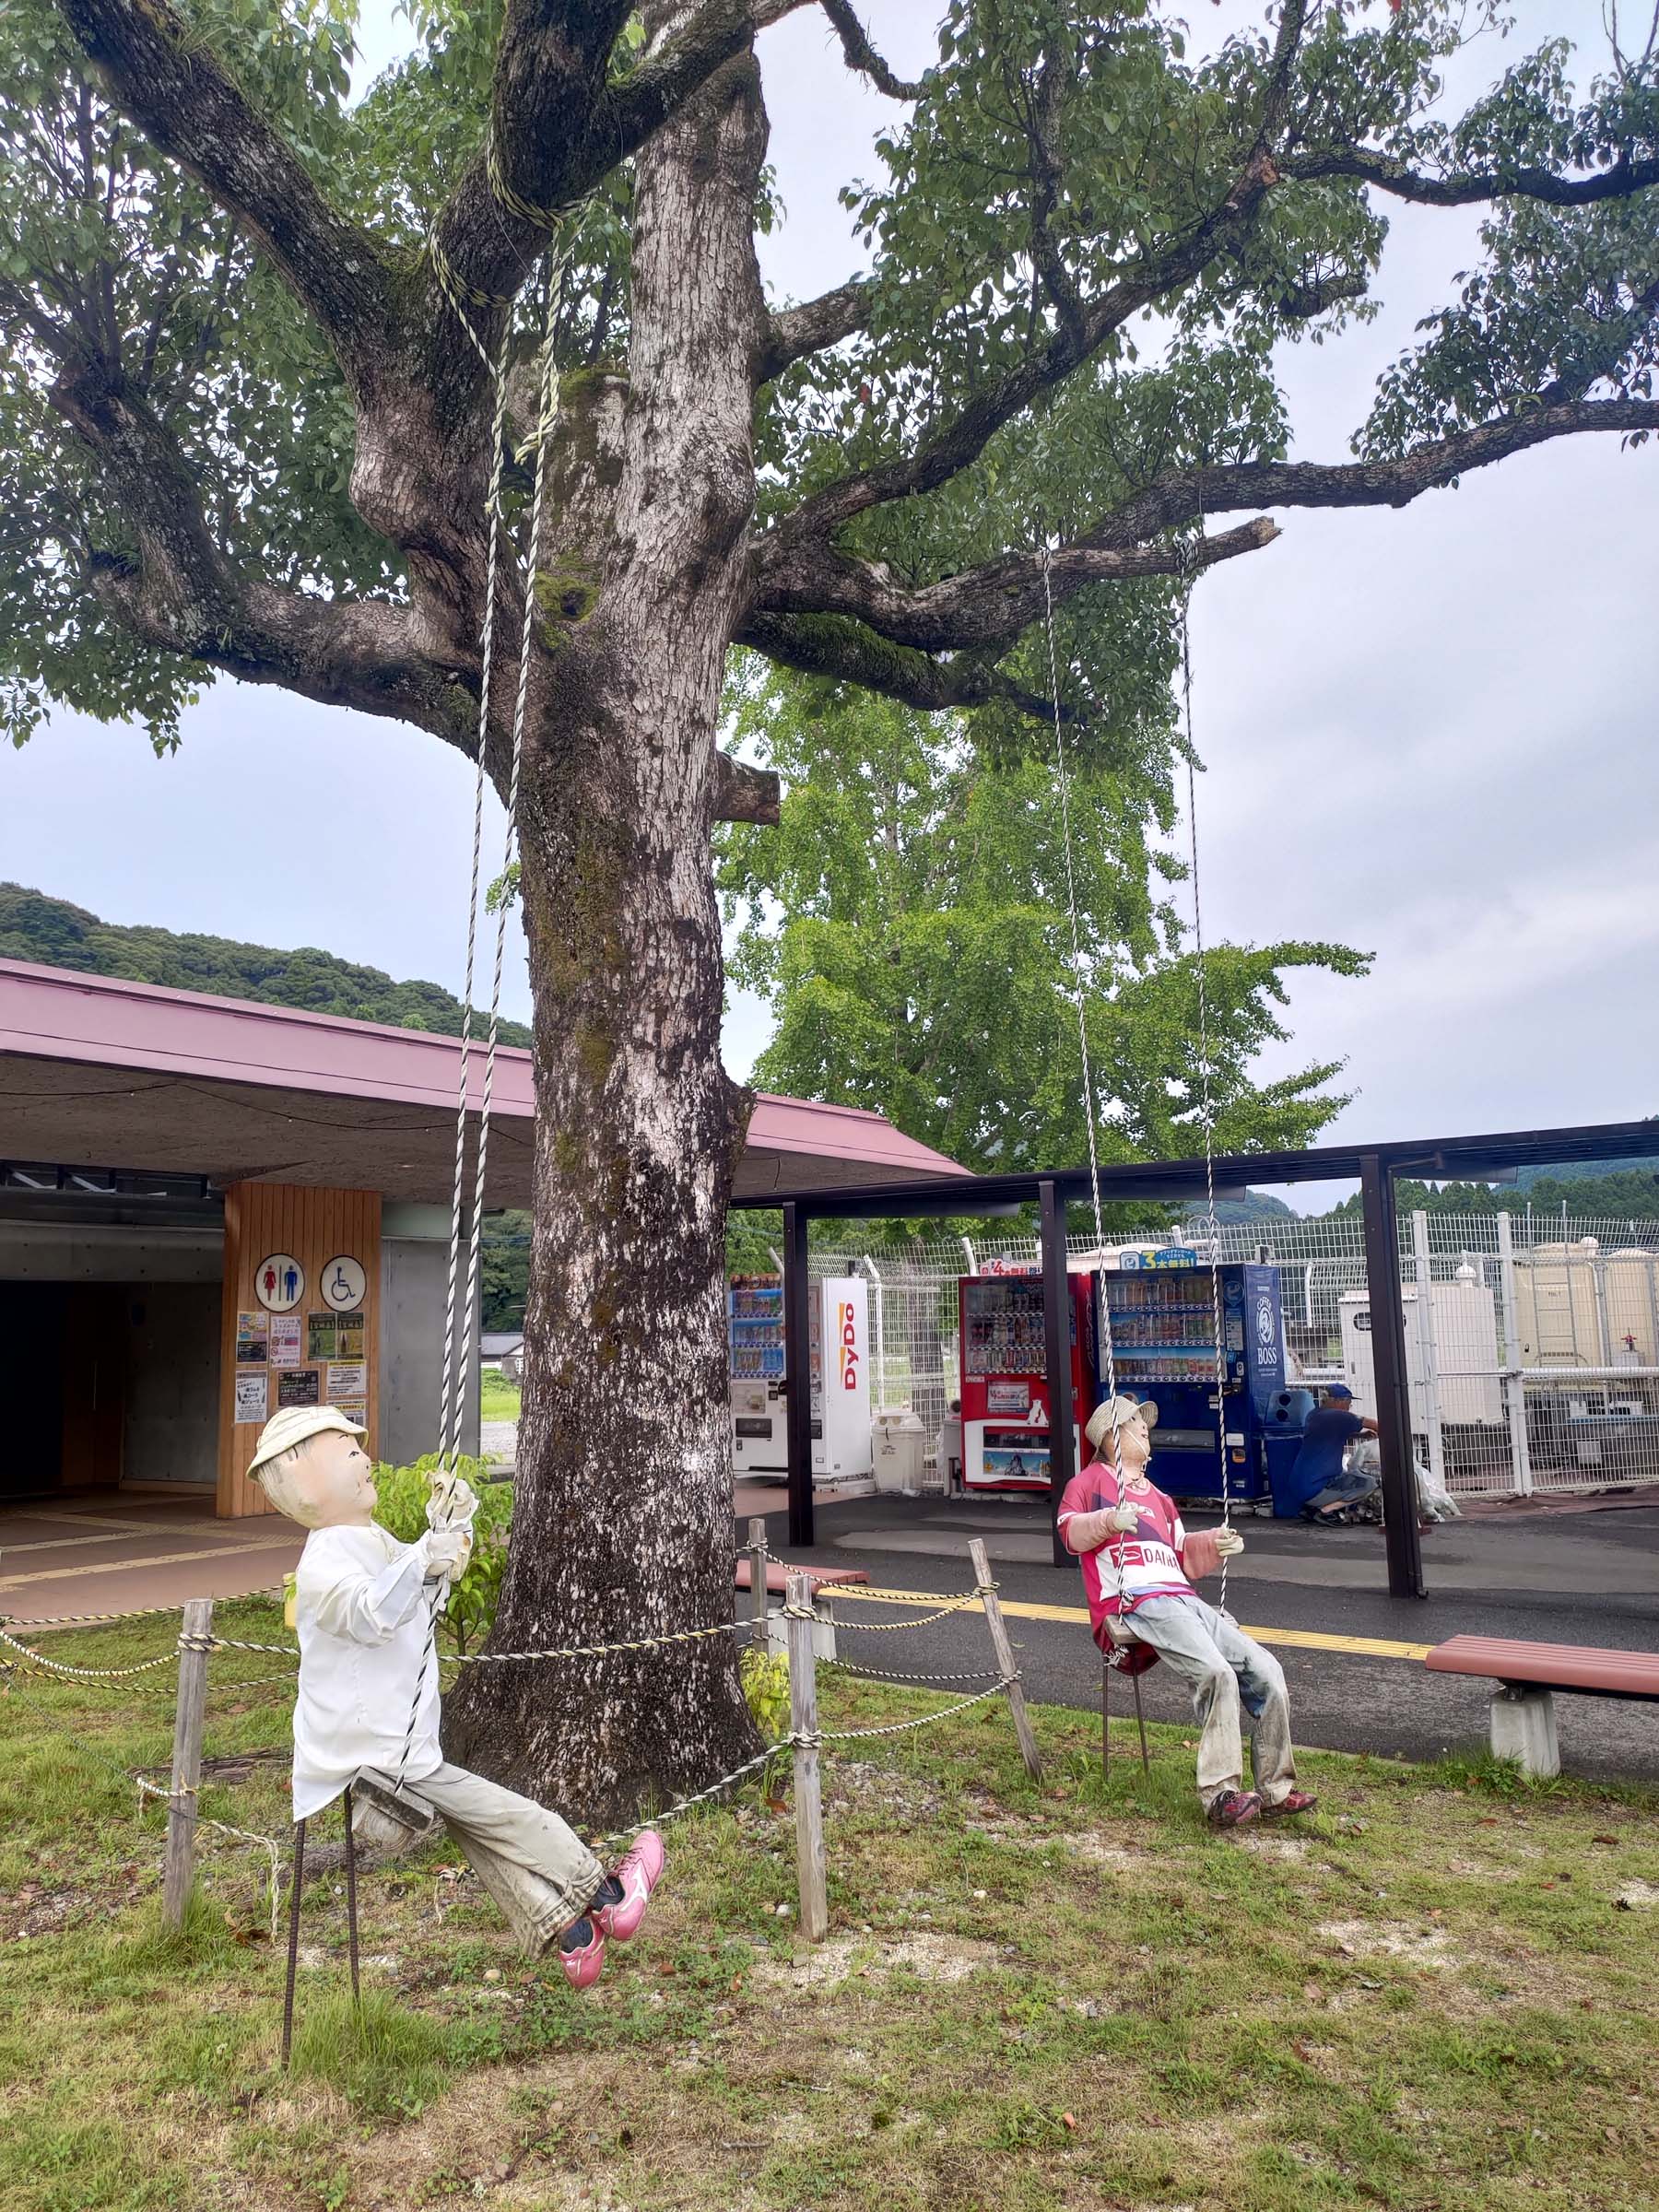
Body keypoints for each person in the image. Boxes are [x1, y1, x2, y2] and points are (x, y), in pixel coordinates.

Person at [248, 1405, 663, 1989]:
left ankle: (569, 1936)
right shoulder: (324, 1562)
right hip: (375, 1751)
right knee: (513, 1816)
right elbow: (373, 1613)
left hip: (399, 1740)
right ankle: (606, 1893)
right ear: (309, 1484)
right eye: (349, 1454)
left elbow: (421, 1596)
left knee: (478, 1831)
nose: (367, 1460)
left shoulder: (366, 1539)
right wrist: (422, 1556)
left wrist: (448, 1530)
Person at [1058, 1394, 1317, 1830]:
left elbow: (1181, 1552)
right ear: (1111, 1436)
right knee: (1216, 1673)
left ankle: (1276, 1789)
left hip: (1184, 1599)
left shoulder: (1159, 1497)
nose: (1146, 1429)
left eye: (1145, 1423)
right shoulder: (1087, 1484)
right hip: (1139, 1600)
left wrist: (1216, 1542)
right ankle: (1221, 1794)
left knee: (1267, 1670)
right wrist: (1108, 1520)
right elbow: (1070, 1533)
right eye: (1137, 1423)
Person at [1290, 1383, 1379, 1524]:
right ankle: (1325, 1511)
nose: (1349, 1408)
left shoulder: (1315, 1415)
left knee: (1345, 1475)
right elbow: (1375, 1424)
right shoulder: (1337, 1415)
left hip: (1301, 1486)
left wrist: (1361, 1436)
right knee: (1369, 1483)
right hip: (1317, 1488)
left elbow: (1331, 1434)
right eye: (1348, 1403)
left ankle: (1310, 1509)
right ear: (1338, 1401)